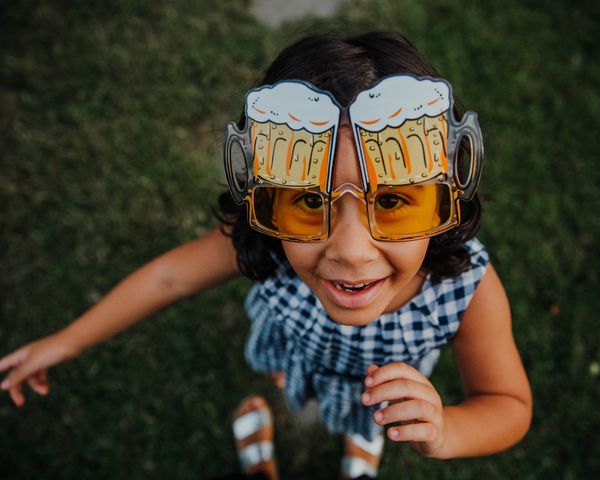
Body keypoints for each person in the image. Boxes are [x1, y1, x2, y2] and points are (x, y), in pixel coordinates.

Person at [0, 31, 532, 479]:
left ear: (446, 187)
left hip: (383, 389)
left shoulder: (467, 287)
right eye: (306, 200)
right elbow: (169, 279)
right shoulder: (268, 239)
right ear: (263, 189)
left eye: (392, 200)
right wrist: (67, 342)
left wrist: (445, 430)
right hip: (297, 355)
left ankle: (359, 437)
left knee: (373, 414)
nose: (349, 250)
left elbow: (507, 404)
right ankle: (334, 432)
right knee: (303, 390)